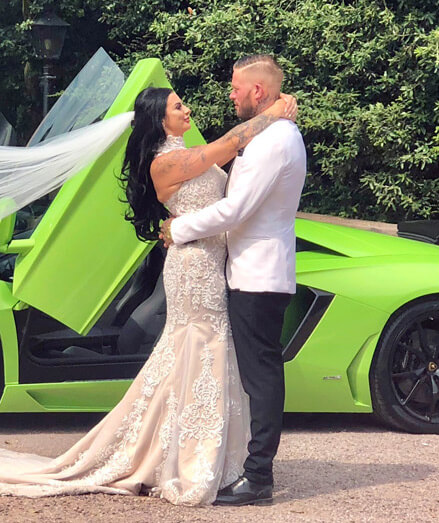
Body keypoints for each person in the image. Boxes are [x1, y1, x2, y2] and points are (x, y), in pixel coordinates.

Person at [0, 78, 296, 507]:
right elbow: (224, 147)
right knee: (199, 351)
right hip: (193, 266)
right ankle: (188, 457)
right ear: (159, 122)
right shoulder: (166, 162)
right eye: (177, 106)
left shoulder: (185, 155)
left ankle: (203, 455)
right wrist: (272, 113)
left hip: (210, 264)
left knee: (202, 357)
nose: (187, 110)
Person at [160, 54, 308, 506]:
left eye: (236, 87)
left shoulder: (273, 142)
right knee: (255, 373)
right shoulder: (271, 132)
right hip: (250, 270)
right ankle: (249, 466)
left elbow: (236, 209)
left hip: (259, 274)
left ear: (257, 92)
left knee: (261, 376)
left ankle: (259, 476)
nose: (231, 93)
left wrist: (177, 230)